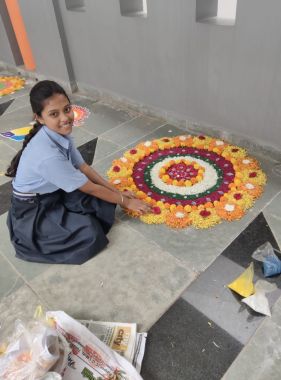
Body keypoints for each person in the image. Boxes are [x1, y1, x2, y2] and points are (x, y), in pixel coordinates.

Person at [6, 80, 150, 264]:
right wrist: (127, 202)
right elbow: (90, 188)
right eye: (53, 114)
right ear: (39, 118)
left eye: (66, 109)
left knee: (101, 204)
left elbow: (84, 168)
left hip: (53, 193)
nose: (65, 118)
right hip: (34, 209)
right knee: (89, 233)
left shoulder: (59, 133)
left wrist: (117, 192)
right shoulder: (47, 155)